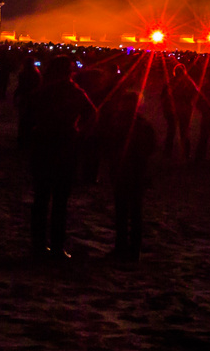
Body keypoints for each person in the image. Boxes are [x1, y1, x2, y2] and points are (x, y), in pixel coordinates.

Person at [29, 56, 95, 259]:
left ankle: (38, 245)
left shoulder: (42, 91)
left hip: (43, 146)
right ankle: (57, 246)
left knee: (41, 198)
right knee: (60, 201)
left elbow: (28, 114)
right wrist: (79, 131)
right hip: (65, 147)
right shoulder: (74, 91)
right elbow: (92, 114)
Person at [105, 90, 157, 262]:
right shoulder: (143, 125)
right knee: (134, 211)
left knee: (124, 211)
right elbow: (151, 147)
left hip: (124, 171)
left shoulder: (118, 123)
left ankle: (122, 247)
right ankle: (133, 249)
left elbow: (109, 145)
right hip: (136, 172)